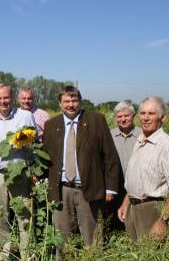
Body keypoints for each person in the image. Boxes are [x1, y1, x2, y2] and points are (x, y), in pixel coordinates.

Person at [42, 85, 120, 259]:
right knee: (62, 239)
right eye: (66, 101)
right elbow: (45, 157)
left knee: (92, 237)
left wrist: (111, 187)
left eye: (74, 100)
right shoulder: (51, 124)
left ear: (80, 101)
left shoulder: (96, 120)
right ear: (60, 103)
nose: (71, 104)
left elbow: (110, 155)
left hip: (89, 189)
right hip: (61, 190)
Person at [0, 83, 36, 260]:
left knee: (24, 216)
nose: (3, 101)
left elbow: (33, 146)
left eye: (6, 97)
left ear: (12, 98)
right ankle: (4, 254)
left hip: (20, 174)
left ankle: (27, 254)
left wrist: (33, 170)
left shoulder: (25, 116)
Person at [117, 96, 169, 241]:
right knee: (136, 253)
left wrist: (163, 220)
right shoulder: (139, 141)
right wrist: (126, 203)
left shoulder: (165, 145)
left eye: (151, 114)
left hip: (153, 210)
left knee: (150, 254)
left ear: (162, 117)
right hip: (133, 209)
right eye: (143, 113)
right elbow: (136, 177)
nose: (145, 118)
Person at [108, 101, 141, 230]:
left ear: (133, 116)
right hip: (116, 184)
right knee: (115, 218)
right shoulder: (109, 135)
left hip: (137, 185)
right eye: (119, 116)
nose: (123, 119)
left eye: (126, 116)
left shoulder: (142, 135)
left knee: (135, 218)